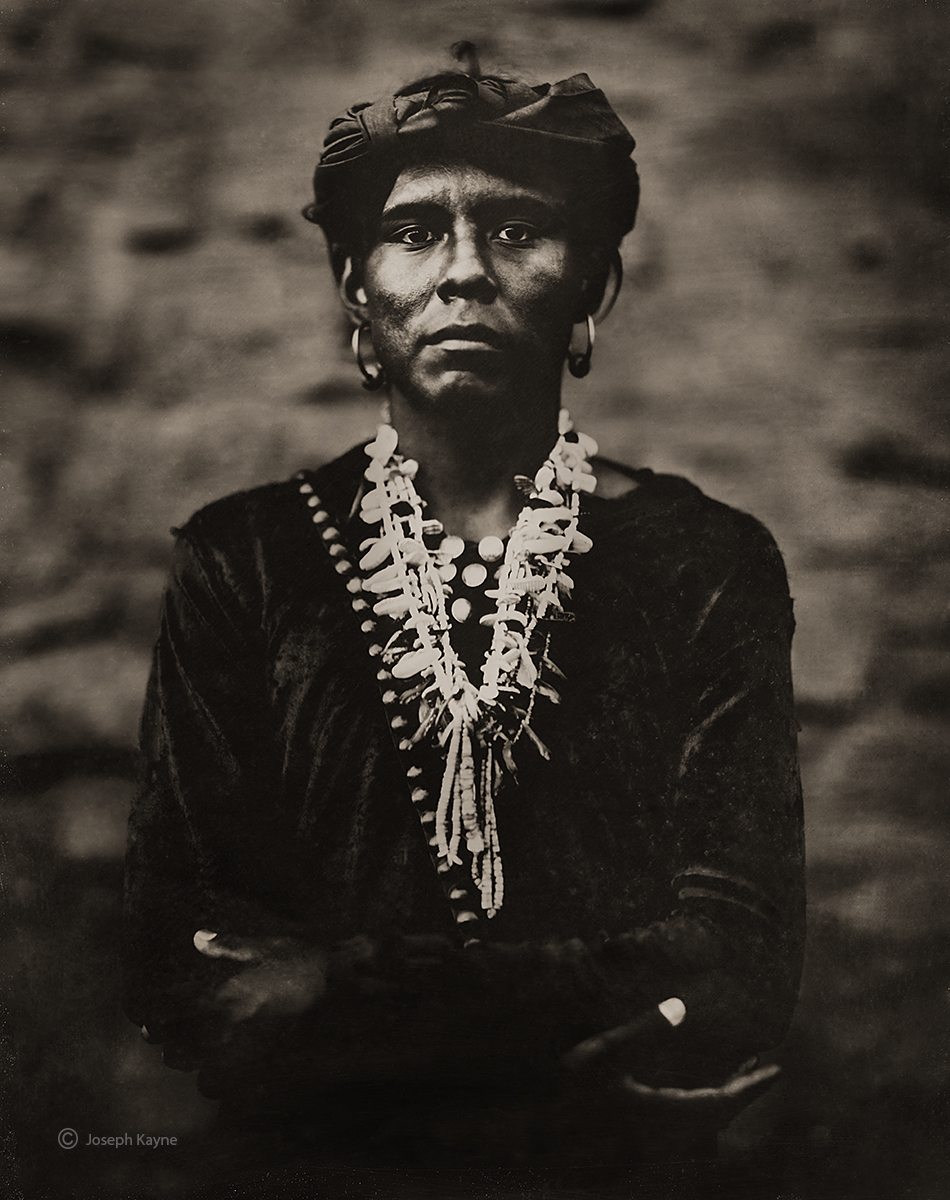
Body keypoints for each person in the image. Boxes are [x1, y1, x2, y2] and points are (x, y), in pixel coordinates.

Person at [123, 50, 805, 1192]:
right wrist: (575, 1002)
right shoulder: (243, 561)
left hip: (612, 1165)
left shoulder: (705, 563)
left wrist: (344, 984)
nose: (462, 275)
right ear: (354, 288)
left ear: (593, 281)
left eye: (518, 230)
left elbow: (737, 960)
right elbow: (177, 950)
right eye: (412, 232)